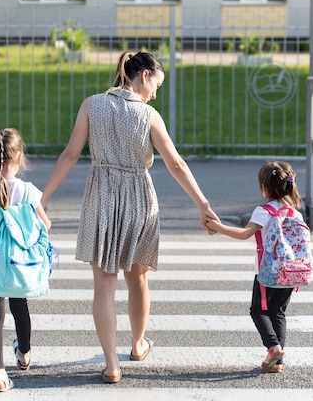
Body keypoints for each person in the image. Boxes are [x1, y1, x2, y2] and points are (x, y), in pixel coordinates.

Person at [40, 51, 219, 383]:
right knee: (138, 278)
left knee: (104, 285)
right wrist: (203, 203)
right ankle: (137, 345)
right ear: (145, 75)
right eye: (157, 85)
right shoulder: (148, 115)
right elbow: (176, 164)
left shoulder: (91, 105)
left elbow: (70, 154)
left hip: (101, 196)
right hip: (139, 197)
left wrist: (44, 195)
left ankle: (111, 364)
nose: (156, 93)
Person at [0, 128, 51, 392]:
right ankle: (24, 354)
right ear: (20, 158)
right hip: (21, 264)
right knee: (19, 305)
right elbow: (45, 225)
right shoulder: (29, 192)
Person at [205, 160, 302, 374]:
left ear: (264, 187)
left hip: (267, 273)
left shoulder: (264, 211)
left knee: (258, 310)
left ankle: (273, 347)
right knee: (278, 313)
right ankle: (277, 361)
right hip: (291, 272)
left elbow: (244, 234)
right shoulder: (295, 213)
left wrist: (218, 227)